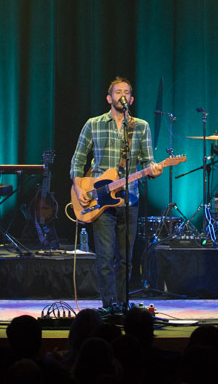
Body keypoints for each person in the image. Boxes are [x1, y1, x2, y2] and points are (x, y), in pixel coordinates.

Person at [70, 77, 161, 310]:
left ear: (132, 99)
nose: (122, 95)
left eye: (126, 92)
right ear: (109, 98)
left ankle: (122, 305)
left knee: (125, 260)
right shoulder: (93, 124)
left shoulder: (141, 126)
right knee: (105, 257)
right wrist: (79, 189)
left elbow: (148, 161)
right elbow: (78, 161)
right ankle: (109, 306)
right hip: (100, 200)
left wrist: (154, 170)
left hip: (130, 200)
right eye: (118, 92)